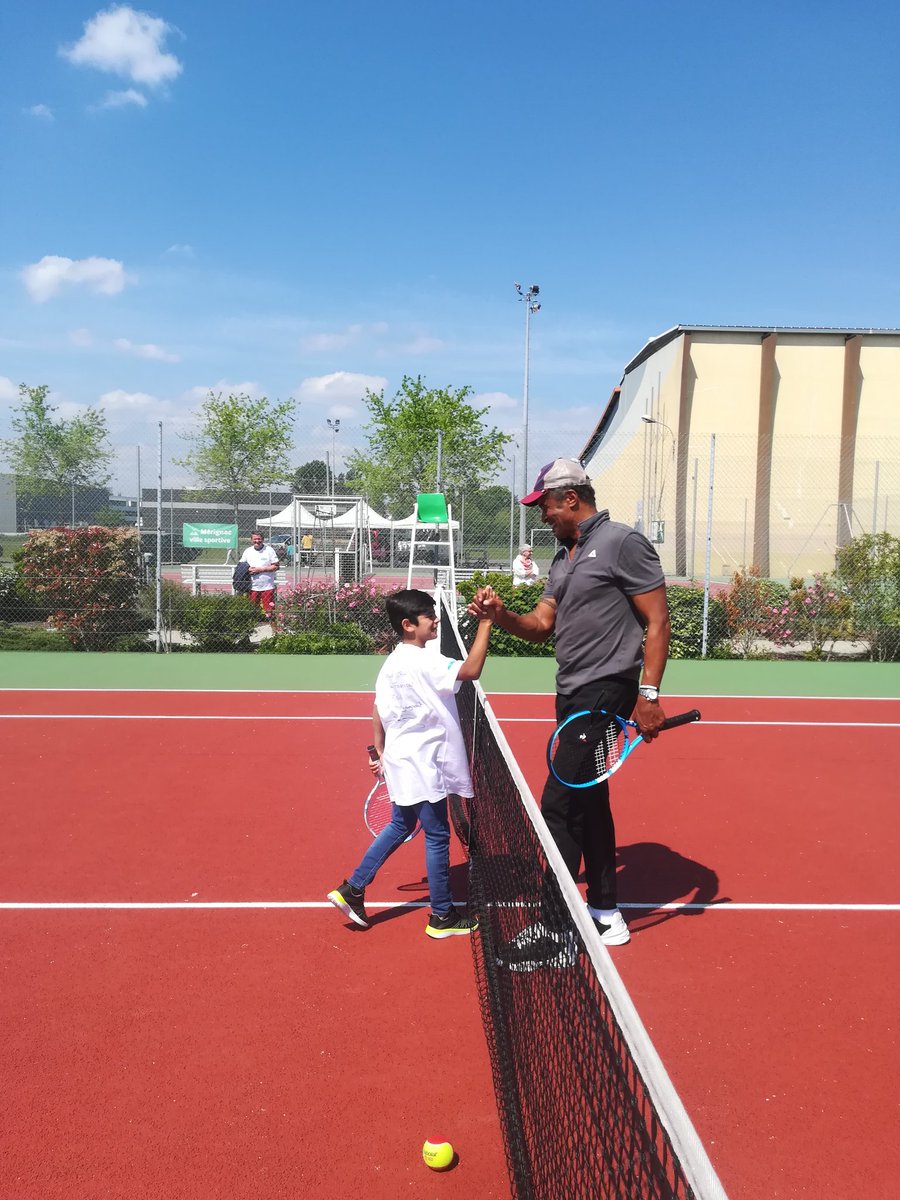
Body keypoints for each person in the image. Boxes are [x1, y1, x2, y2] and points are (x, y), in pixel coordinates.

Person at [468, 458, 670, 961]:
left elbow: (658, 620)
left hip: (606, 691)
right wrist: (501, 616)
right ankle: (606, 914)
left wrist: (648, 695)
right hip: (573, 693)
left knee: (558, 803)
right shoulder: (563, 557)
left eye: (545, 507)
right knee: (589, 802)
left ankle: (554, 927)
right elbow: (540, 624)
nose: (542, 517)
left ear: (571, 499)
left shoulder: (622, 542)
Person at [328, 589, 493, 938]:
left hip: (403, 759)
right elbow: (472, 669)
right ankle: (442, 917)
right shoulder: (424, 659)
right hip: (422, 762)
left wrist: (381, 752)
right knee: (436, 835)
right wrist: (486, 622)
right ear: (407, 625)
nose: (434, 620)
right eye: (428, 616)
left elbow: (378, 708)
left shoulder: (392, 662)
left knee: (400, 824)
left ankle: (353, 888)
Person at [239, 530, 280, 619]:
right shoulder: (247, 551)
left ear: (263, 539)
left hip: (267, 586)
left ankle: (274, 630)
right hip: (252, 586)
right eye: (255, 539)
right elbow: (241, 566)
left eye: (259, 539)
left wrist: (261, 569)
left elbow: (276, 566)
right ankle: (252, 628)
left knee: (270, 612)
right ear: (251, 540)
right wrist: (247, 569)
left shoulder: (269, 550)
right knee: (251, 611)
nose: (257, 541)